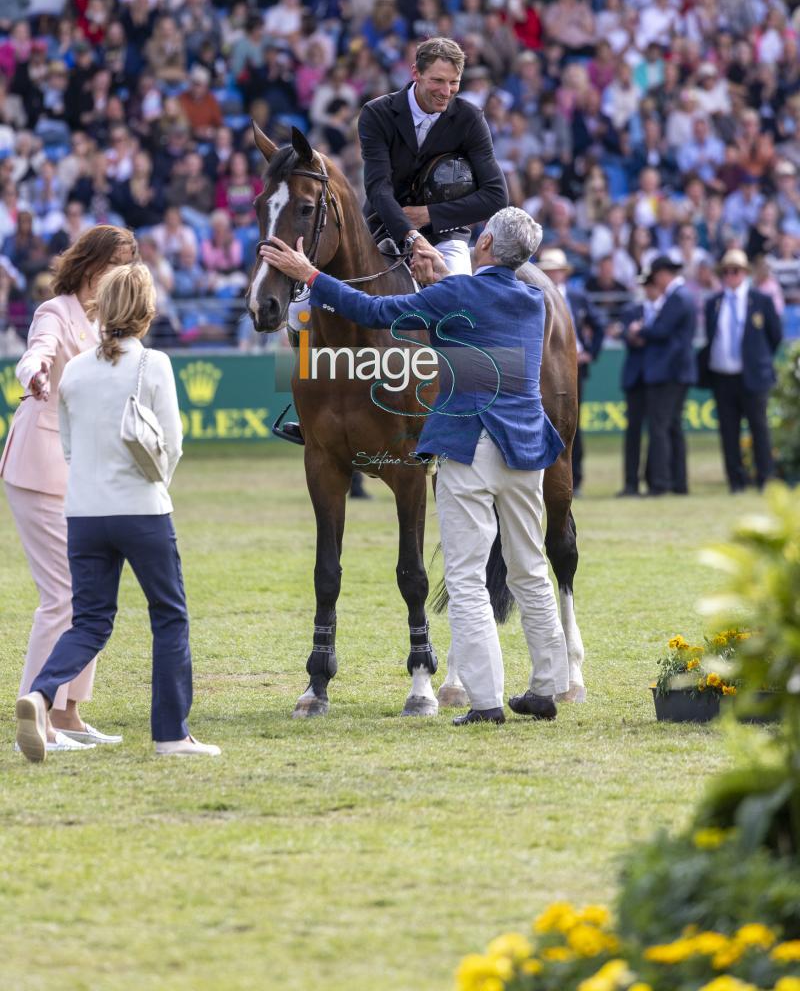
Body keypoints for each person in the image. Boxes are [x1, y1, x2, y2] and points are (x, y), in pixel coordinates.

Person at [261, 207, 569, 725]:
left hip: (468, 450)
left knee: (467, 578)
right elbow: (476, 301)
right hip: (525, 451)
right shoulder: (532, 299)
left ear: (486, 240)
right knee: (531, 568)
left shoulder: (457, 294)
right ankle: (547, 687)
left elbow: (376, 313)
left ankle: (487, 701)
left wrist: (310, 276)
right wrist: (441, 276)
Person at [15, 264, 220, 762]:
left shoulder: (77, 368)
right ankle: (172, 734)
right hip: (142, 510)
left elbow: (67, 446)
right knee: (169, 618)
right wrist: (153, 486)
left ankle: (41, 696)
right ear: (147, 312)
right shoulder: (155, 364)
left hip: (83, 514)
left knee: (88, 622)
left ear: (101, 310)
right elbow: (171, 444)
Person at [1, 225, 135, 753]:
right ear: (92, 264)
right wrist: (33, 373)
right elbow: (38, 352)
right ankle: (36, 716)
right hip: (38, 466)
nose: (123, 274)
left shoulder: (110, 320)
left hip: (84, 470)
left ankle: (71, 713)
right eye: (117, 264)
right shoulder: (54, 311)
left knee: (92, 594)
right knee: (63, 597)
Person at [357, 35, 508, 283]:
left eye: (454, 82)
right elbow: (378, 188)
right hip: (382, 228)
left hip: (445, 238)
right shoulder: (376, 113)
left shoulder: (470, 119)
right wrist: (411, 234)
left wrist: (428, 214)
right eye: (437, 81)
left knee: (459, 308)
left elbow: (496, 196)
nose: (446, 92)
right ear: (415, 72)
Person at [702, 247, 782, 492]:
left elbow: (774, 336)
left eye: (735, 271)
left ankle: (764, 477)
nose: (731, 276)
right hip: (723, 376)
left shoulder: (761, 300)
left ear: (744, 273)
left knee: (759, 428)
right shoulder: (714, 303)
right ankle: (735, 480)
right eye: (726, 272)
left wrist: (759, 360)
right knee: (728, 431)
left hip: (753, 376)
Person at [536, 248, 605, 495]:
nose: (551, 274)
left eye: (555, 270)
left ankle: (575, 480)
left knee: (571, 424)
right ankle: (543, 478)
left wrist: (590, 353)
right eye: (547, 270)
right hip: (542, 369)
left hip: (572, 368)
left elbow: (599, 325)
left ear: (563, 273)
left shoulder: (577, 297)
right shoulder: (534, 294)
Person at [627, 255, 697, 496]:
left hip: (669, 371)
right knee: (673, 427)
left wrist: (640, 330)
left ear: (664, 274)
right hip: (676, 370)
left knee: (660, 427)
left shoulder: (678, 298)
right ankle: (678, 482)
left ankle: (660, 482)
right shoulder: (681, 297)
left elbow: (662, 330)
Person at [617, 271, 660, 497]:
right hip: (636, 378)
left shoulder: (663, 310)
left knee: (656, 430)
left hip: (656, 379)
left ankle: (653, 480)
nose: (649, 289)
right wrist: (635, 335)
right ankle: (630, 482)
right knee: (633, 432)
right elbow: (625, 335)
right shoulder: (631, 311)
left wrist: (640, 333)